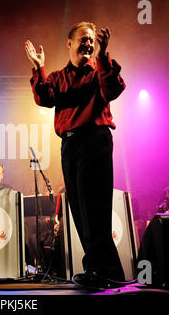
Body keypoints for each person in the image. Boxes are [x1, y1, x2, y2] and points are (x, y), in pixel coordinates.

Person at [25, 21, 126, 288]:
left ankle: (99, 269)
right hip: (69, 145)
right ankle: (108, 271)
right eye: (84, 39)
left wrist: (103, 56)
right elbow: (44, 98)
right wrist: (38, 67)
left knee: (95, 207)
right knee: (80, 209)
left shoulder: (99, 70)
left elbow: (112, 90)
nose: (89, 44)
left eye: (92, 40)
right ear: (69, 44)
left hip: (95, 140)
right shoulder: (58, 77)